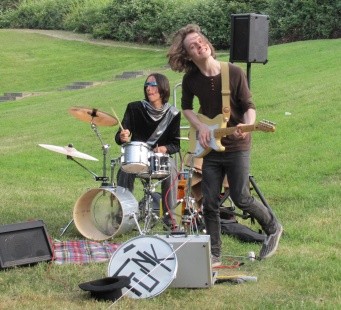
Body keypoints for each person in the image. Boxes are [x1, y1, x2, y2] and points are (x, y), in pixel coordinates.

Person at [167, 24, 282, 265]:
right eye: (192, 46)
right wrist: (200, 128)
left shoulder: (233, 72)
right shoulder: (190, 80)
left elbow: (250, 107)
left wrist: (248, 127)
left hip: (237, 146)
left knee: (241, 197)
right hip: (209, 147)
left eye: (200, 41)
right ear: (188, 55)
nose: (199, 46)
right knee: (209, 202)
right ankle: (214, 253)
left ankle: (273, 227)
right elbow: (186, 108)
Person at [114, 73, 181, 229]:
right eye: (147, 86)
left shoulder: (173, 113)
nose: (149, 89)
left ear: (163, 88)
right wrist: (122, 136)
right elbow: (119, 137)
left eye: (153, 85)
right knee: (124, 169)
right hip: (137, 157)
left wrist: (165, 148)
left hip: (159, 159)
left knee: (172, 169)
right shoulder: (134, 108)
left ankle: (170, 219)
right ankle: (122, 215)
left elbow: (175, 144)